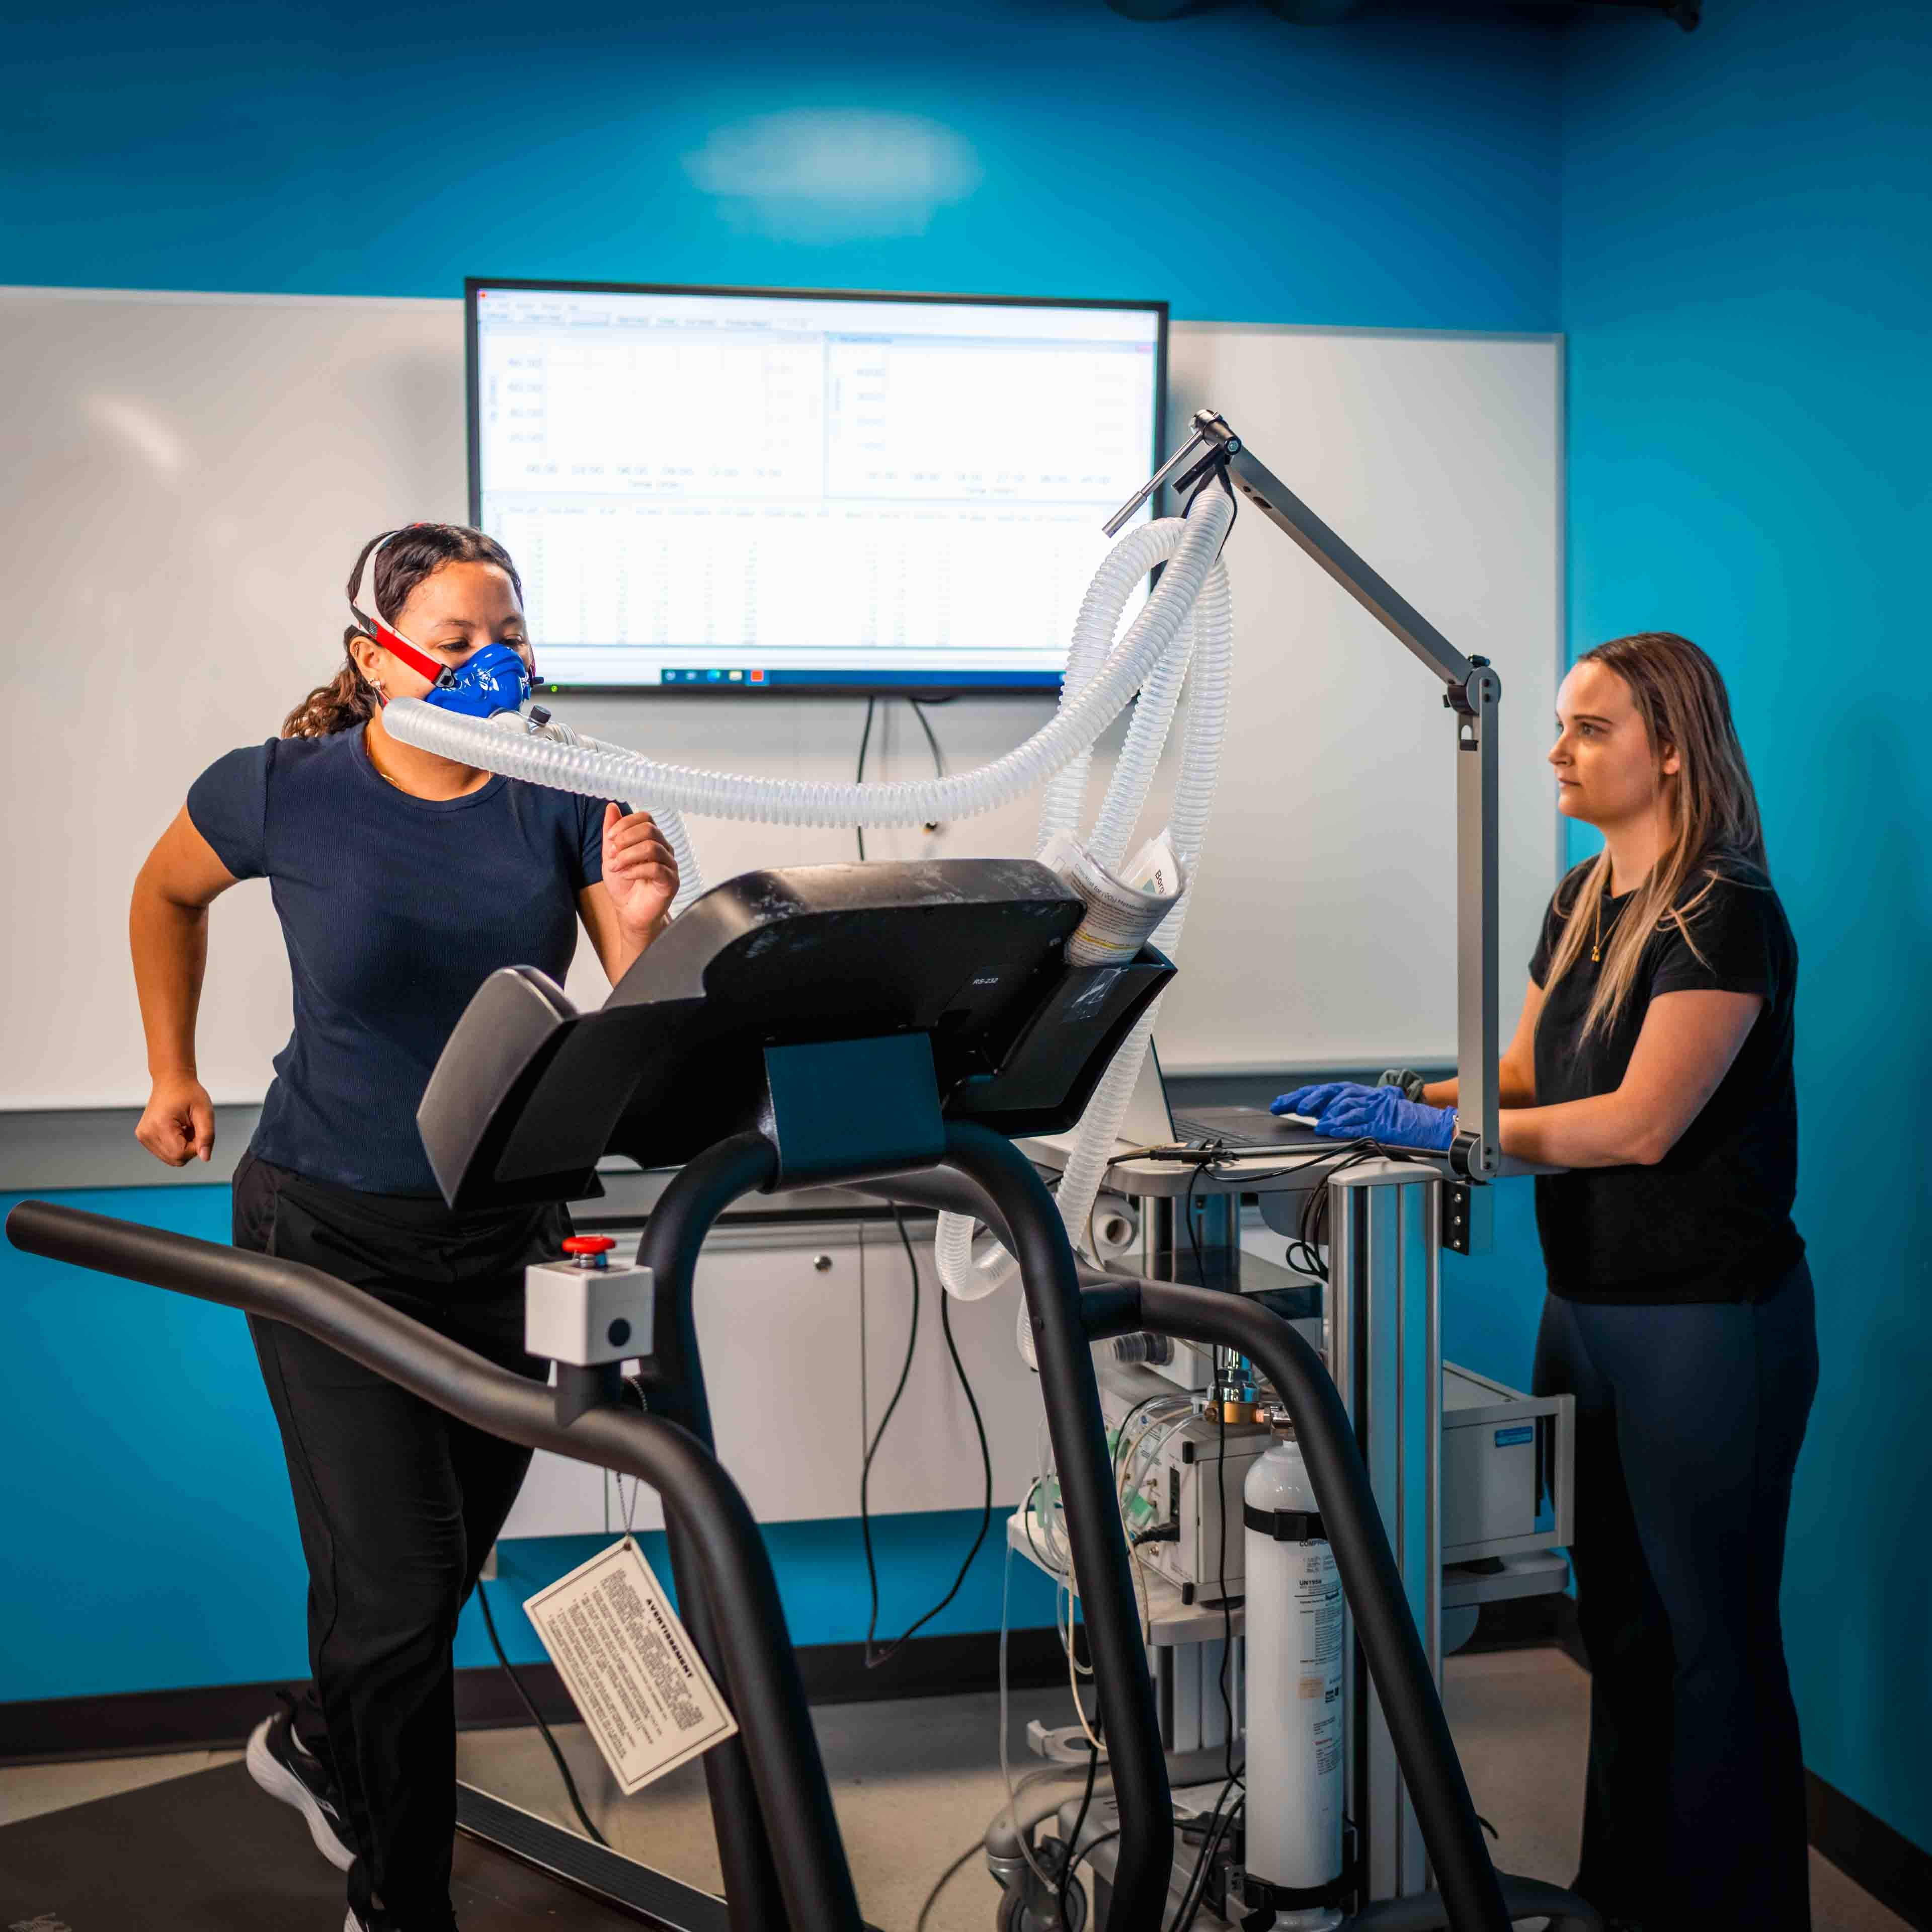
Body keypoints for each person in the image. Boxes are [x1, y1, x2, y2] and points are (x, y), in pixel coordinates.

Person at [128, 524, 680, 1932]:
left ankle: (319, 1742)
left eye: (515, 631)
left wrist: (645, 918)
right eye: (463, 637)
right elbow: (166, 892)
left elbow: (641, 1032)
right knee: (395, 1588)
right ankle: (398, 1901)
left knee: (427, 1586)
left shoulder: (567, 793)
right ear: (378, 660)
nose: (502, 662)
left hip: (503, 1243)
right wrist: (172, 1071)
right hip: (327, 1237)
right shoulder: (284, 791)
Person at [1277, 631, 1813, 1932]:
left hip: (1711, 1327)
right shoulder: (1582, 903)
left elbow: (1638, 1125)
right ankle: (1623, 1900)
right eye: (1560, 726)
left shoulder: (1724, 911)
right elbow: (1524, 1076)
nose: (1559, 752)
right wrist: (1405, 1102)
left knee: (1710, 1651)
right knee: (1619, 1636)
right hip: (1584, 1314)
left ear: (1672, 750)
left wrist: (1451, 1143)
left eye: (1591, 730)